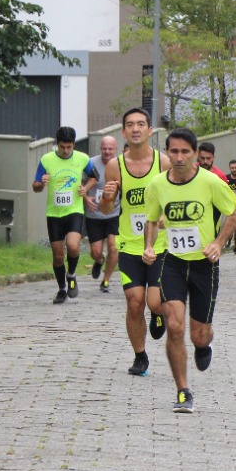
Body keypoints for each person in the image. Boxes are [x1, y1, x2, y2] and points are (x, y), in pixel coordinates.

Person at [142, 127, 236, 413]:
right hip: (172, 261)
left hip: (203, 266)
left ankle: (203, 345)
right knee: (174, 325)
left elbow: (234, 214)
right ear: (167, 153)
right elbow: (150, 218)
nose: (179, 157)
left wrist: (219, 243)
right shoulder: (157, 185)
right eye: (174, 151)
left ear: (196, 154)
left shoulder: (211, 182)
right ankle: (183, 391)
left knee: (199, 334)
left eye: (186, 152)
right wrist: (149, 246)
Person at [100, 108, 168, 376]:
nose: (136, 129)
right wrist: (107, 197)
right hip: (128, 244)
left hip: (161, 244)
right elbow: (107, 211)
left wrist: (163, 216)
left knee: (154, 302)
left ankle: (159, 314)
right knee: (134, 301)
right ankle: (140, 356)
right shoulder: (114, 165)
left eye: (141, 124)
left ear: (150, 131)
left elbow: (174, 197)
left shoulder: (162, 162)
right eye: (130, 125)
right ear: (124, 132)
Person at [32, 127, 97, 303]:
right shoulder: (46, 160)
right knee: (58, 255)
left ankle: (72, 274)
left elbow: (94, 176)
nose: (66, 151)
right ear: (57, 145)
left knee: (74, 246)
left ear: (74, 145)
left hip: (74, 211)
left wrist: (86, 188)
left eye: (69, 147)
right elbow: (35, 186)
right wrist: (41, 184)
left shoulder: (82, 158)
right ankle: (61, 289)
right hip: (54, 214)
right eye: (62, 147)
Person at [84, 135, 120, 293]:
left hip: (115, 213)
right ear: (100, 148)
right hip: (95, 215)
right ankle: (99, 260)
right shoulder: (91, 163)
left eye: (110, 149)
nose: (107, 151)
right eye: (104, 148)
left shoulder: (121, 165)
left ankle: (106, 280)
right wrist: (86, 197)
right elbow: (79, 183)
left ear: (115, 149)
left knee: (114, 247)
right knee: (96, 252)